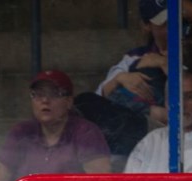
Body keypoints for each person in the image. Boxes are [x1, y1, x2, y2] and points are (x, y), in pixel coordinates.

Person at [0, 70, 110, 181]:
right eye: (38, 94)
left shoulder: (86, 133)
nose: (45, 100)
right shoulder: (20, 133)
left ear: (68, 102)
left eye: (54, 94)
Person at [74, 0, 173, 156]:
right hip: (130, 118)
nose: (170, 29)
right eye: (163, 24)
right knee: (84, 100)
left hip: (161, 127)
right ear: (147, 26)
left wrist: (166, 64)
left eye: (173, 22)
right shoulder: (134, 56)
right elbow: (102, 95)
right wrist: (120, 78)